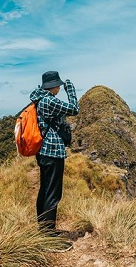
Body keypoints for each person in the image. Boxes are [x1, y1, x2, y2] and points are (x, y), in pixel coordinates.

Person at [29, 70, 79, 239]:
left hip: (43, 151)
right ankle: (49, 236)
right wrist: (71, 90)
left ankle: (44, 230)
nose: (59, 87)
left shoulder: (39, 98)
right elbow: (74, 109)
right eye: (58, 85)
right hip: (52, 152)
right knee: (53, 193)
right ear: (53, 86)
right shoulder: (49, 100)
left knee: (45, 189)